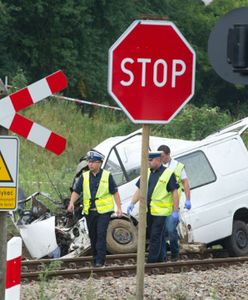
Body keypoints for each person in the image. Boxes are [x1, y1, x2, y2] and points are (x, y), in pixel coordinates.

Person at [67, 150, 123, 267]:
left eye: (93, 162)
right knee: (93, 236)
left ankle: (100, 261)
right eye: (89, 162)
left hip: (104, 212)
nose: (90, 164)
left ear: (99, 163)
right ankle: (95, 258)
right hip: (89, 211)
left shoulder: (107, 176)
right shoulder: (85, 176)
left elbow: (115, 192)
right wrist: (71, 202)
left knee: (101, 234)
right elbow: (77, 191)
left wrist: (119, 207)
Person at [127, 151, 179, 263]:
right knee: (154, 235)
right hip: (149, 210)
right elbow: (140, 189)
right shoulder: (147, 173)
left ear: (159, 160)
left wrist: (175, 211)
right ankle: (160, 259)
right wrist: (132, 203)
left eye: (150, 160)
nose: (148, 163)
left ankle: (152, 261)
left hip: (162, 212)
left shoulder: (168, 173)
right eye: (147, 160)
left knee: (155, 235)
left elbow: (174, 192)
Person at [157, 144, 191, 261]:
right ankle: (163, 256)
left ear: (168, 154)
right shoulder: (157, 166)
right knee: (161, 231)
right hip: (160, 205)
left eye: (162, 156)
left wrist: (188, 199)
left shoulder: (178, 166)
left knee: (171, 230)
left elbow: (185, 183)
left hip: (174, 206)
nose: (161, 158)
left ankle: (175, 254)